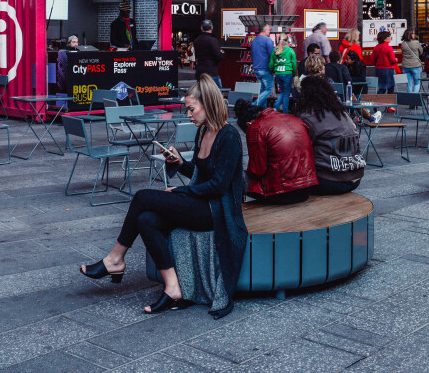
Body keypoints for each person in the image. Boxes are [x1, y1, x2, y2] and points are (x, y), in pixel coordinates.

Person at [80, 76, 247, 318]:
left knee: (142, 197)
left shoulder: (228, 136)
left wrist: (181, 191)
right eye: (187, 109)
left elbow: (219, 186)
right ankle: (173, 288)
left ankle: (115, 259)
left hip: (217, 211)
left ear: (208, 103)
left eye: (191, 109)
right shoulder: (203, 132)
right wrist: (179, 163)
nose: (188, 114)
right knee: (145, 219)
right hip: (201, 202)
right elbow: (201, 175)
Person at [293, 74, 365, 194]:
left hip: (329, 180)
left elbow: (299, 150)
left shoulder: (307, 116)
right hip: (355, 178)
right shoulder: (341, 112)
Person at [234, 100, 317, 204]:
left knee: (236, 174)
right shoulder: (295, 119)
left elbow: (257, 171)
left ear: (248, 124)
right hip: (306, 189)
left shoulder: (255, 127)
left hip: (281, 194)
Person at [193, 20, 225, 87]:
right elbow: (219, 56)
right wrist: (222, 52)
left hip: (200, 72)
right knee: (217, 94)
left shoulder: (196, 41)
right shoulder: (213, 40)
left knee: (202, 93)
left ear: (201, 28)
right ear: (212, 28)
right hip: (211, 72)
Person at [251, 23, 275, 107]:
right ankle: (254, 105)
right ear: (265, 30)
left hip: (256, 68)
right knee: (268, 90)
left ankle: (262, 111)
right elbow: (272, 55)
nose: (269, 31)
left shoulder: (254, 40)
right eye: (269, 30)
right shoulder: (267, 40)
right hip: (266, 69)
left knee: (262, 90)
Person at [270, 35, 296, 113]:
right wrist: (294, 73)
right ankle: (285, 111)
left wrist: (273, 71)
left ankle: (276, 106)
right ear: (287, 40)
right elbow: (294, 63)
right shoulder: (290, 50)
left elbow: (271, 64)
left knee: (283, 91)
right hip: (288, 73)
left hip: (278, 73)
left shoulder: (275, 50)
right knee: (286, 93)